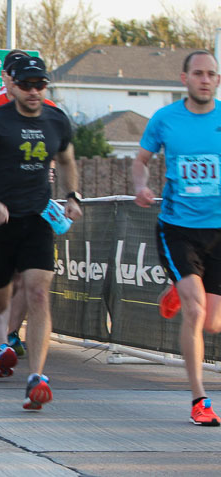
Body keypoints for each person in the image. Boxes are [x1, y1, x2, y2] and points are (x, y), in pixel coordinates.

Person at [0, 56, 81, 411]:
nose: (33, 91)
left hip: (38, 218)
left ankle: (37, 378)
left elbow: (67, 159)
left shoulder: (56, 119)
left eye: (39, 84)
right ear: (12, 86)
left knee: (39, 293)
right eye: (26, 85)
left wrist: (72, 196)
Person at [132, 51, 221, 426]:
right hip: (178, 227)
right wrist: (141, 186)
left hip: (218, 231)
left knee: (213, 323)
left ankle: (177, 290)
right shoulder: (165, 118)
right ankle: (200, 400)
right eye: (198, 73)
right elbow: (140, 160)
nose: (205, 80)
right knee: (195, 311)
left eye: (211, 74)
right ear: (184, 78)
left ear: (217, 80)